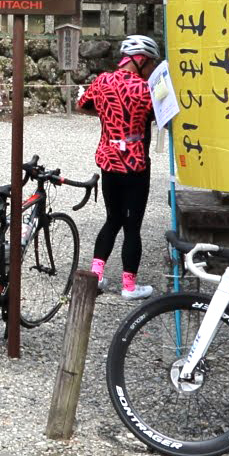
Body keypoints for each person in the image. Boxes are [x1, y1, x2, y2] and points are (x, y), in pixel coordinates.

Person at [76, 34, 161, 300]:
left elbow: (83, 106)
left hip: (108, 160)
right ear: (141, 60)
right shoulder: (146, 89)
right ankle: (129, 285)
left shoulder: (102, 81)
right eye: (150, 64)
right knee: (132, 225)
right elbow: (164, 118)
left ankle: (97, 275)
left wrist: (107, 115)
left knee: (112, 219)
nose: (151, 69)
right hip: (135, 163)